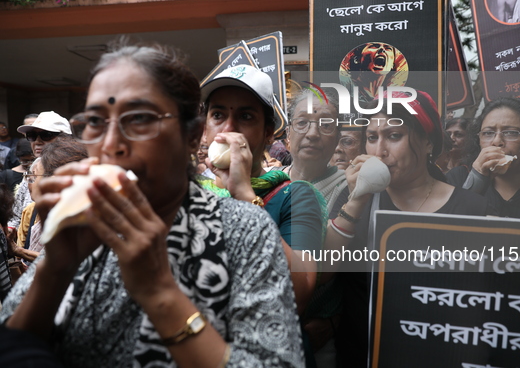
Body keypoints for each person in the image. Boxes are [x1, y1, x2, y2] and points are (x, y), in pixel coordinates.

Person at [0, 44, 304, 367]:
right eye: (96, 122)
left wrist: (161, 295)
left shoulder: (243, 231)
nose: (111, 144)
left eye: (140, 119)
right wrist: (55, 269)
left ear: (192, 136)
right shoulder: (83, 225)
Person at [335, 90, 492, 367]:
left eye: (394, 136)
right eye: (372, 138)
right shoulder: (351, 199)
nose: (379, 151)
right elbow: (322, 271)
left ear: (428, 142)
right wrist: (356, 201)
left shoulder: (471, 209)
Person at [199, 64, 325, 317]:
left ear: (269, 133)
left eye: (245, 117)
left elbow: (300, 294)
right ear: (205, 127)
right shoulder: (189, 193)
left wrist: (245, 195)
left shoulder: (296, 196)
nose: (228, 129)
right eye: (218, 115)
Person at [283, 89, 351, 367]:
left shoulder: (352, 188)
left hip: (319, 336)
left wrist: (335, 320)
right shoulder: (267, 183)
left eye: (325, 124)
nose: (312, 133)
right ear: (288, 135)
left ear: (336, 138)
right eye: (302, 123)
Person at [7, 112, 72, 231]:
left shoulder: (74, 168)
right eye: (31, 135)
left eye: (46, 135)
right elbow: (17, 213)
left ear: (65, 138)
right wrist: (10, 231)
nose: (37, 141)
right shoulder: (33, 167)